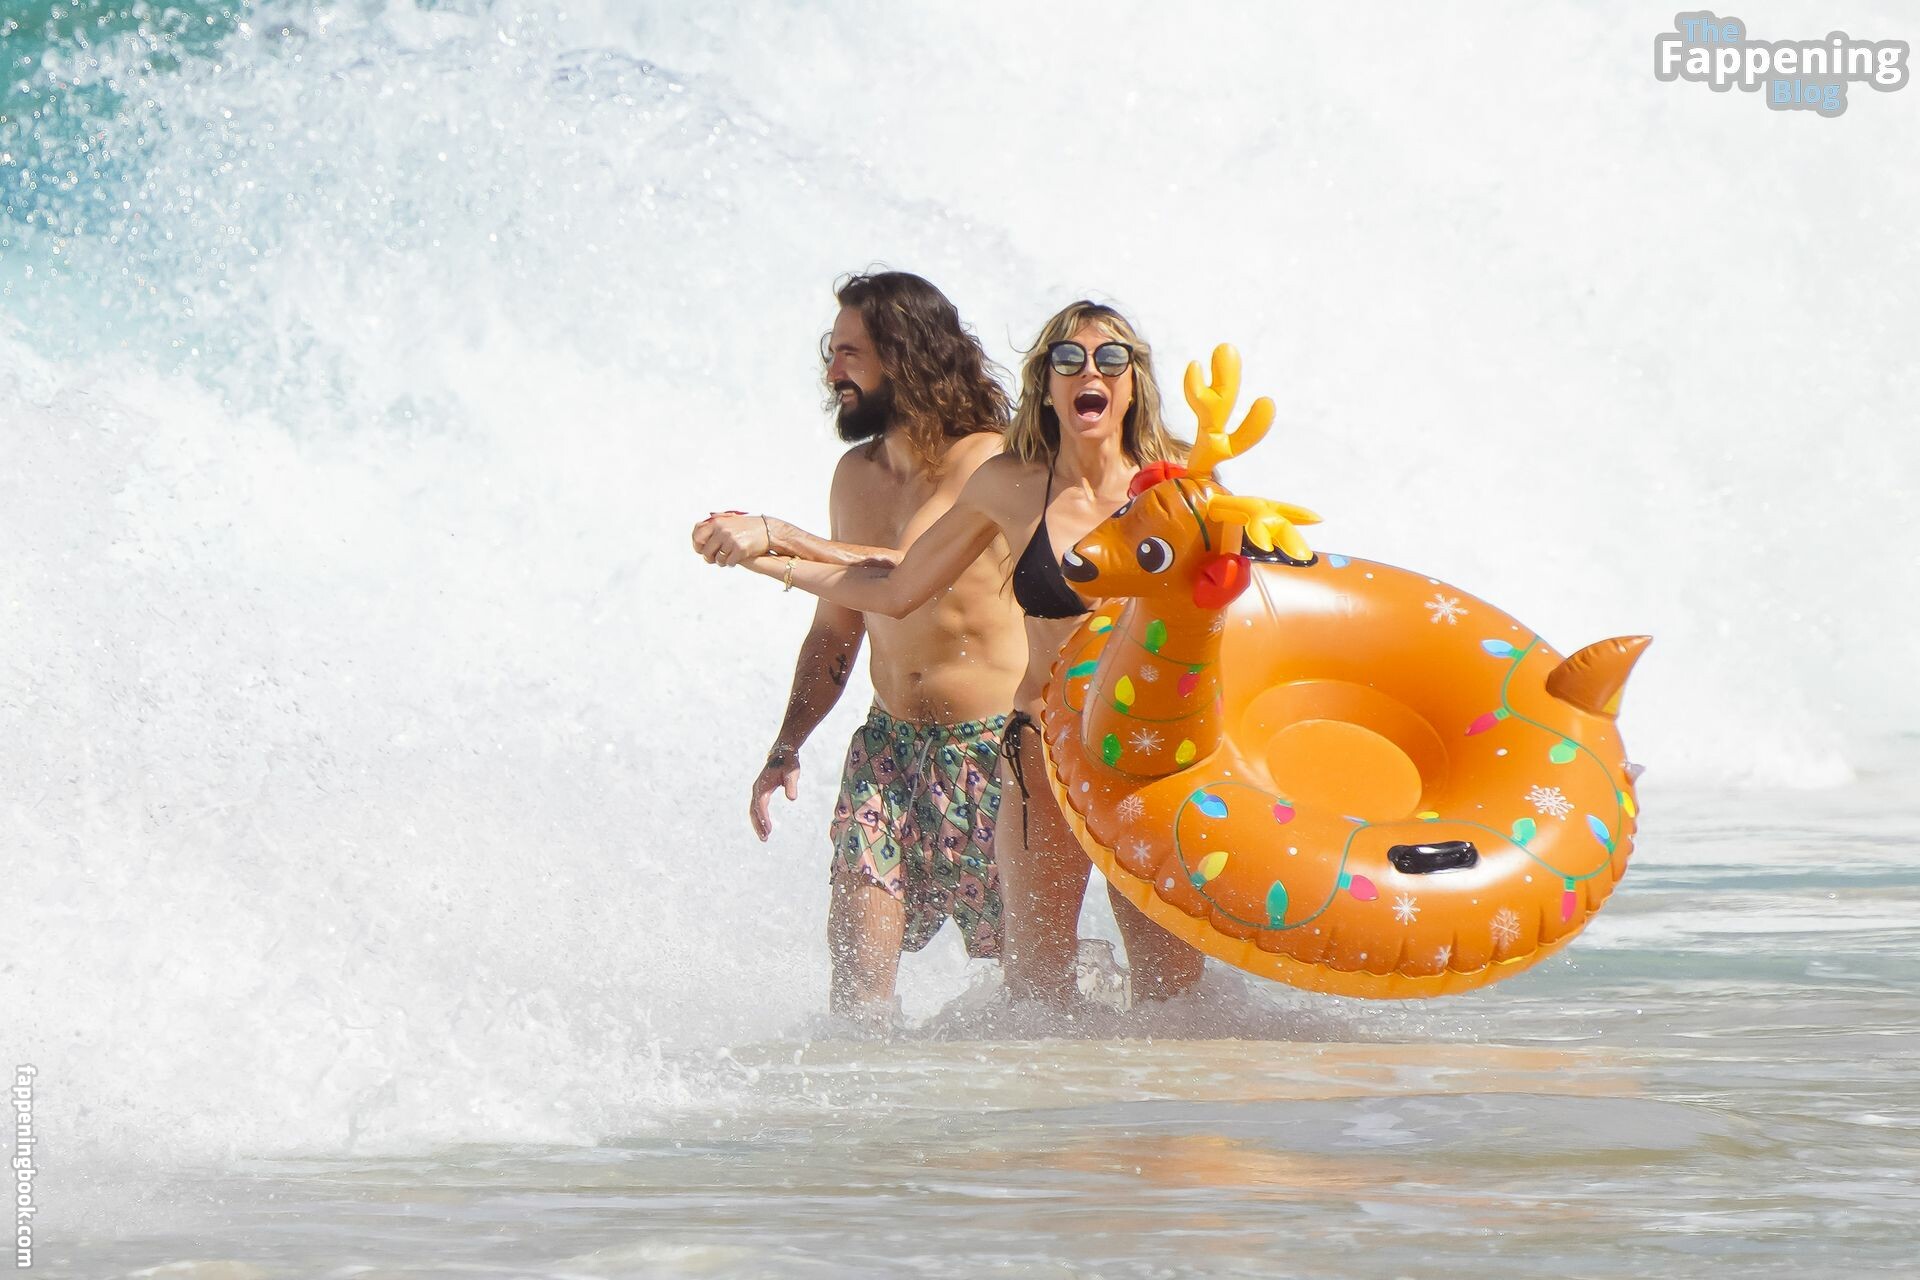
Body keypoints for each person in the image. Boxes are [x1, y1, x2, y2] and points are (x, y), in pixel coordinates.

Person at [713, 301, 1207, 1007]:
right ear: (1047, 383)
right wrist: (767, 560)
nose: (1089, 373)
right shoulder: (1010, 484)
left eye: (1109, 359)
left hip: (1145, 760)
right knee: (1035, 1000)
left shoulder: (1185, 486)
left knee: (1174, 1001)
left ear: (1135, 380)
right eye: (1068, 360)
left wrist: (780, 538)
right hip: (1039, 753)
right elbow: (900, 586)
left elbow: (1242, 618)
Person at [691, 271, 1025, 1024]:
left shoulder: (988, 461)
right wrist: (787, 744)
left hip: (994, 756)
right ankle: (870, 1103)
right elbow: (836, 626)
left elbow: (908, 571)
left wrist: (773, 538)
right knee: (857, 1007)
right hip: (888, 754)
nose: (832, 372)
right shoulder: (855, 475)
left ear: (905, 356)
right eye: (831, 352)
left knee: (1031, 1001)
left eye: (850, 353)